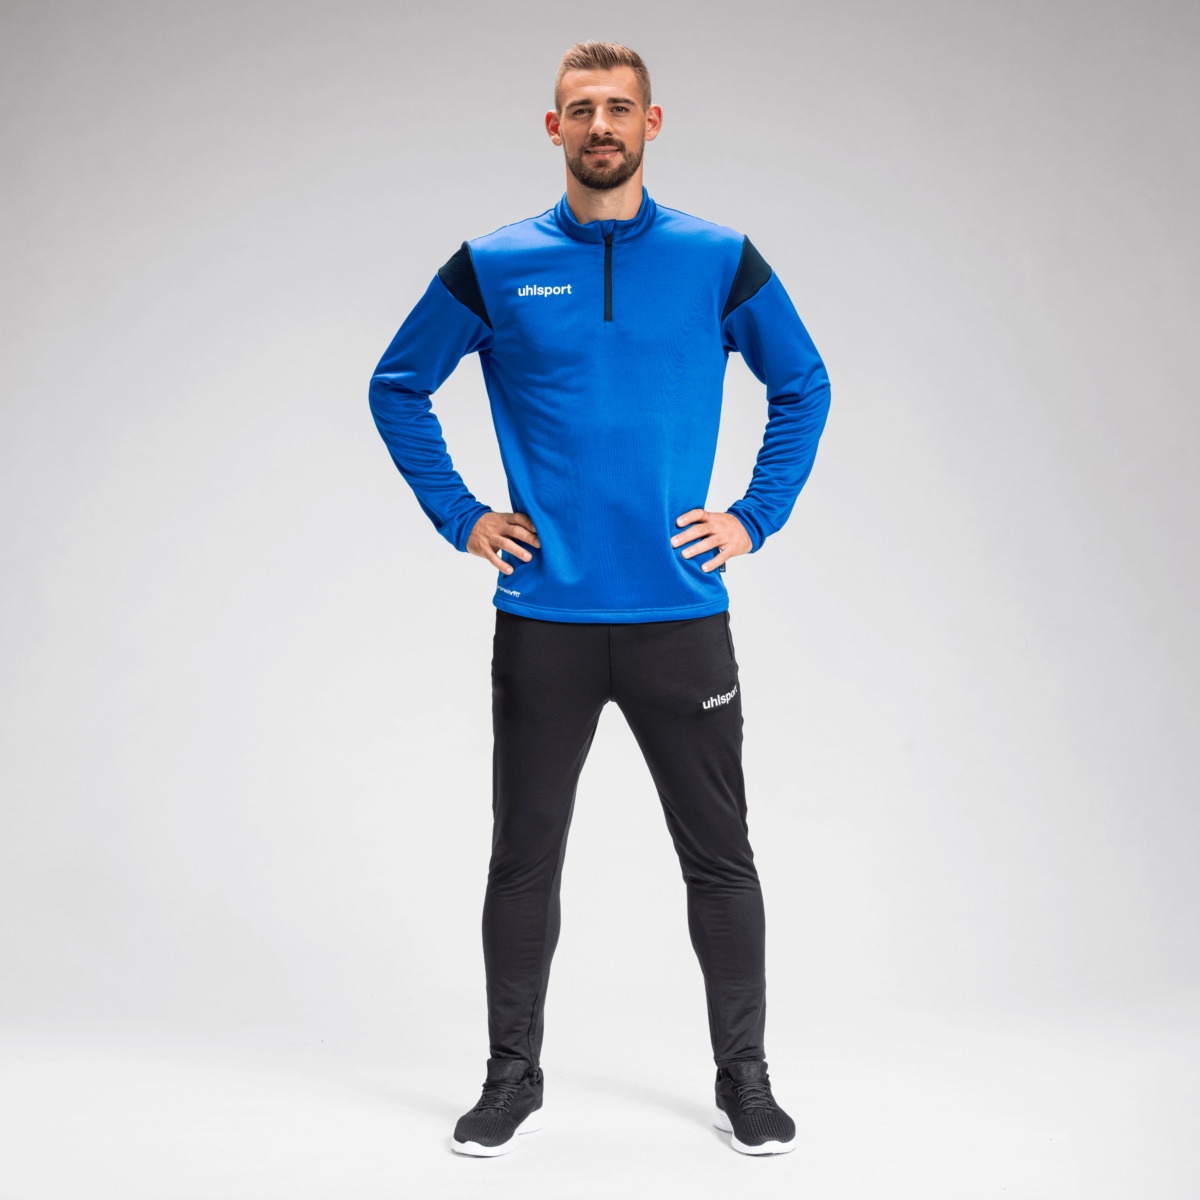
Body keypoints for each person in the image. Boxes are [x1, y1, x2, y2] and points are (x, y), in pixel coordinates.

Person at [368, 40, 830, 1158]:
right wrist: (464, 516)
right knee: (524, 858)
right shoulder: (495, 264)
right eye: (581, 109)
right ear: (554, 128)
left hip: (681, 619)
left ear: (652, 123)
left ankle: (746, 1079)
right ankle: (511, 1077)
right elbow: (397, 384)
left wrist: (753, 517)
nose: (601, 125)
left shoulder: (718, 259)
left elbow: (803, 383)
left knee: (721, 857)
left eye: (619, 107)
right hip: (546, 622)